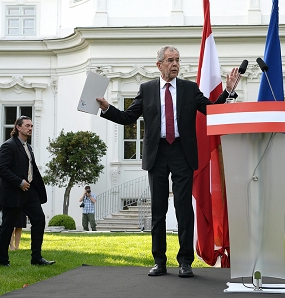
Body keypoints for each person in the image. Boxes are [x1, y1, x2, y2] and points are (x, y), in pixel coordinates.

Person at [96, 45, 238, 278]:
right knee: (158, 211)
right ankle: (159, 261)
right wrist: (107, 108)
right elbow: (128, 117)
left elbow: (212, 111)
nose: (175, 64)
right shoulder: (147, 89)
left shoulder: (189, 89)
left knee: (183, 209)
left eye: (178, 60)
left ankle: (185, 262)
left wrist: (228, 92)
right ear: (159, 65)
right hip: (157, 154)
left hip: (182, 153)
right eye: (170, 60)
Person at [0, 116, 55, 266]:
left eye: (31, 126)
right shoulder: (8, 146)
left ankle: (36, 258)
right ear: (18, 127)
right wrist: (19, 182)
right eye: (27, 125)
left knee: (39, 219)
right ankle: (3, 260)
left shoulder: (28, 147)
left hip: (29, 192)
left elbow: (31, 169)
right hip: (13, 192)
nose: (30, 128)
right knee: (8, 225)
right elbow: (1, 168)